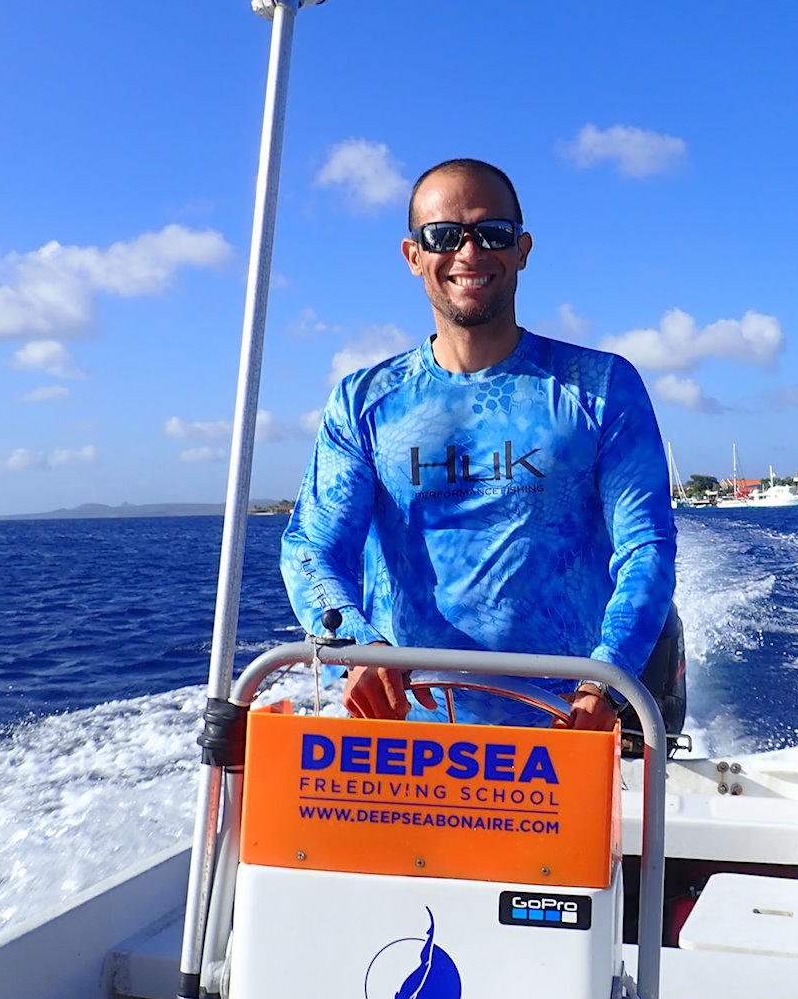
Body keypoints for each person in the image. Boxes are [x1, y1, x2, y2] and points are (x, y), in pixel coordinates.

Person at [280, 158, 677, 730]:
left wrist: (607, 681)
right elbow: (314, 547)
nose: (469, 251)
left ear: (522, 249)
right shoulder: (362, 402)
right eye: (443, 236)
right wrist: (354, 645)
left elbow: (646, 547)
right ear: (413, 255)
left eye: (492, 233)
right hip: (404, 737)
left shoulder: (601, 387)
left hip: (568, 727)